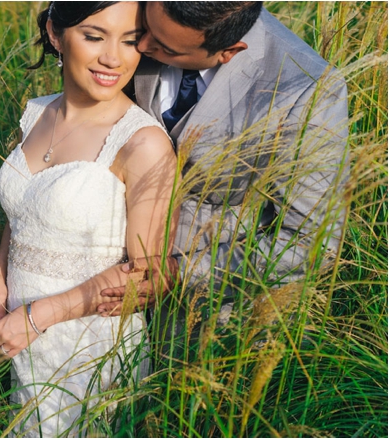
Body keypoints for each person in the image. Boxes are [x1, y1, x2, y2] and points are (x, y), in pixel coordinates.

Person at [0, 2, 179, 437]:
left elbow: (150, 277)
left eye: (129, 40)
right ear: (54, 33)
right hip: (20, 336)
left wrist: (40, 316)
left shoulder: (143, 143)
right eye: (93, 35)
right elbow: (27, 206)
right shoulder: (37, 113)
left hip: (89, 344)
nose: (113, 58)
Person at [97, 1, 349, 351]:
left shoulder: (305, 87)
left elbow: (310, 244)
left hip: (220, 322)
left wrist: (181, 274)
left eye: (165, 48)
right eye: (146, 28)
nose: (141, 47)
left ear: (229, 52)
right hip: (98, 283)